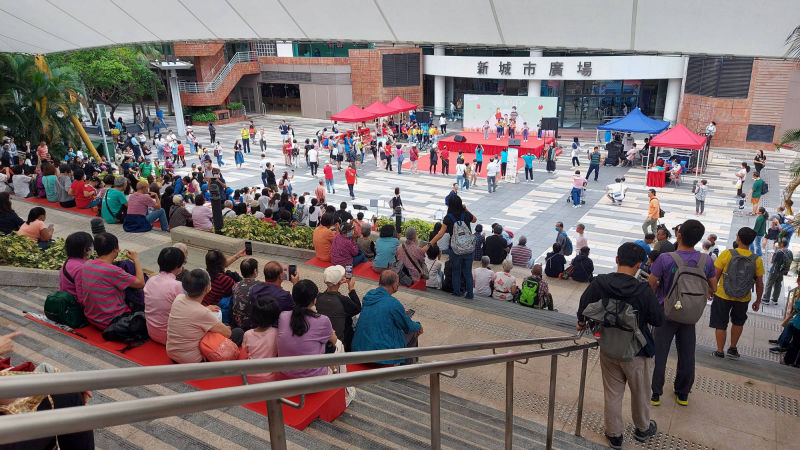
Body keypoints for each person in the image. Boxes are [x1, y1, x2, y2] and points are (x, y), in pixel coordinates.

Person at [577, 242, 664, 449]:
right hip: (637, 352)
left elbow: (583, 307)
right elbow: (658, 319)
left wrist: (581, 323)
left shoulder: (600, 282)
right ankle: (642, 428)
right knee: (640, 392)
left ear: (617, 259)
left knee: (613, 393)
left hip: (608, 346)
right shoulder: (643, 290)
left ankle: (614, 435)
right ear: (639, 264)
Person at [648, 219, 716, 406]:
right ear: (699, 239)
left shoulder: (665, 258)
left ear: (679, 235)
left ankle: (655, 394)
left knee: (659, 353)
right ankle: (683, 393)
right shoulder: (706, 261)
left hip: (666, 313)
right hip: (689, 314)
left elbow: (651, 283)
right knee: (687, 354)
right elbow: (714, 287)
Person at [166, 269, 242, 364]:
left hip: (172, 354)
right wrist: (226, 328)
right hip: (193, 360)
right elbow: (228, 333)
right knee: (238, 332)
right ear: (208, 288)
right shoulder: (203, 313)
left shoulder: (178, 299)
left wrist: (206, 308)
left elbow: (191, 311)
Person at [711, 227, 765, 360]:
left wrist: (711, 290)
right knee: (738, 322)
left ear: (738, 238)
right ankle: (733, 348)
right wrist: (758, 300)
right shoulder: (756, 259)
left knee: (720, 323)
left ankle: (719, 351)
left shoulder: (727, 254)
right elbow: (759, 283)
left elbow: (715, 275)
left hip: (723, 294)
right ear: (752, 241)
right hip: (743, 297)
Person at [351, 270, 423, 364]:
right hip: (380, 355)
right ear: (394, 285)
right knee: (413, 331)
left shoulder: (369, 296)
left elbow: (380, 312)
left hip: (359, 348)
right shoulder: (394, 303)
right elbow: (408, 326)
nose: (398, 285)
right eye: (397, 282)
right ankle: (408, 368)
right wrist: (419, 326)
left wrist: (400, 312)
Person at [77, 233, 145, 330]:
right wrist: (136, 259)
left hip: (92, 318)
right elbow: (140, 283)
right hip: (113, 321)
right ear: (115, 250)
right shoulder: (112, 270)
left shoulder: (87, 264)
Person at [278, 280, 339, 378]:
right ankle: (340, 379)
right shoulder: (323, 320)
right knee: (339, 344)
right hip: (312, 378)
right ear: (314, 300)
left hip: (285, 374)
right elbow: (334, 340)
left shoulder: (283, 316)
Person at [429, 195, 477, 298]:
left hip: (455, 249)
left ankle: (457, 292)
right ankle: (470, 294)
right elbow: (475, 220)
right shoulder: (465, 214)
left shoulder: (448, 218)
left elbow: (440, 234)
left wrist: (429, 244)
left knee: (456, 271)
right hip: (468, 248)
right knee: (468, 272)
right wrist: (466, 209)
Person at [143, 247, 186, 345]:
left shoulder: (151, 280)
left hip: (151, 332)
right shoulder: (177, 286)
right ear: (178, 265)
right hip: (169, 338)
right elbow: (188, 312)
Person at [316, 265, 362, 351]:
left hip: (322, 340)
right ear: (340, 282)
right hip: (341, 343)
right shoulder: (344, 300)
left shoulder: (318, 297)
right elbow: (358, 308)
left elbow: (327, 294)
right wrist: (351, 288)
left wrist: (337, 282)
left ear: (324, 281)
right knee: (355, 320)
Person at [241, 296, 281, 383]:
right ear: (275, 316)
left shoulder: (247, 334)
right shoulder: (277, 333)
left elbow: (245, 352)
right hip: (270, 378)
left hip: (250, 376)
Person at [58, 231, 94, 298]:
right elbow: (81, 295)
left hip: (64, 300)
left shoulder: (68, 262)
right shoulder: (81, 268)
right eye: (91, 245)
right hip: (74, 303)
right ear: (85, 249)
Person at [230, 258, 261, 330]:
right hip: (252, 326)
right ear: (255, 271)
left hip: (236, 323)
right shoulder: (260, 286)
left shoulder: (235, 285)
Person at [764, 238, 793, 306]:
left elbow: (771, 261)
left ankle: (766, 299)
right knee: (778, 285)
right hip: (782, 271)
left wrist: (772, 255)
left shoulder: (778, 252)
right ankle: (775, 299)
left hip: (774, 271)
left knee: (769, 284)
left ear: (782, 244)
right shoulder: (789, 252)